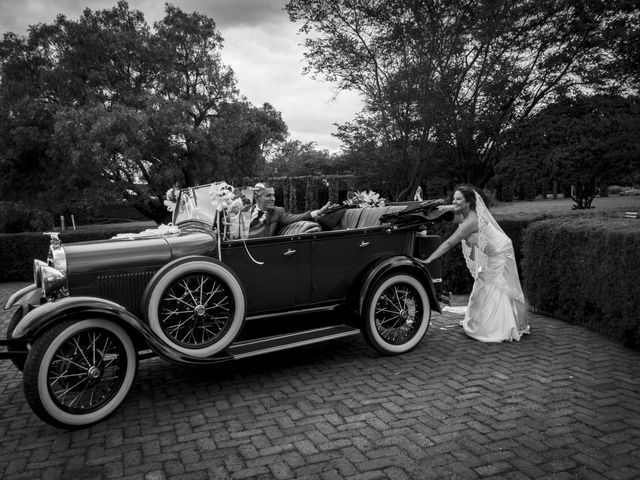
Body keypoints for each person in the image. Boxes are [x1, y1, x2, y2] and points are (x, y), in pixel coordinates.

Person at [423, 185, 529, 342]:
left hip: (500, 252)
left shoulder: (471, 220)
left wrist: (429, 259)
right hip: (487, 250)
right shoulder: (465, 213)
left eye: (459, 199)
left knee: (493, 286)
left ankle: (499, 327)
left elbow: (449, 243)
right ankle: (479, 321)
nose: (454, 201)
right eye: (454, 198)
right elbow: (448, 212)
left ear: (468, 202)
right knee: (482, 280)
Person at [248, 183, 333, 238]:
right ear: (257, 197)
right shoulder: (244, 212)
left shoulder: (277, 212)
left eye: (273, 195)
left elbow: (298, 217)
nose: (273, 199)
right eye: (268, 196)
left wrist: (318, 212)